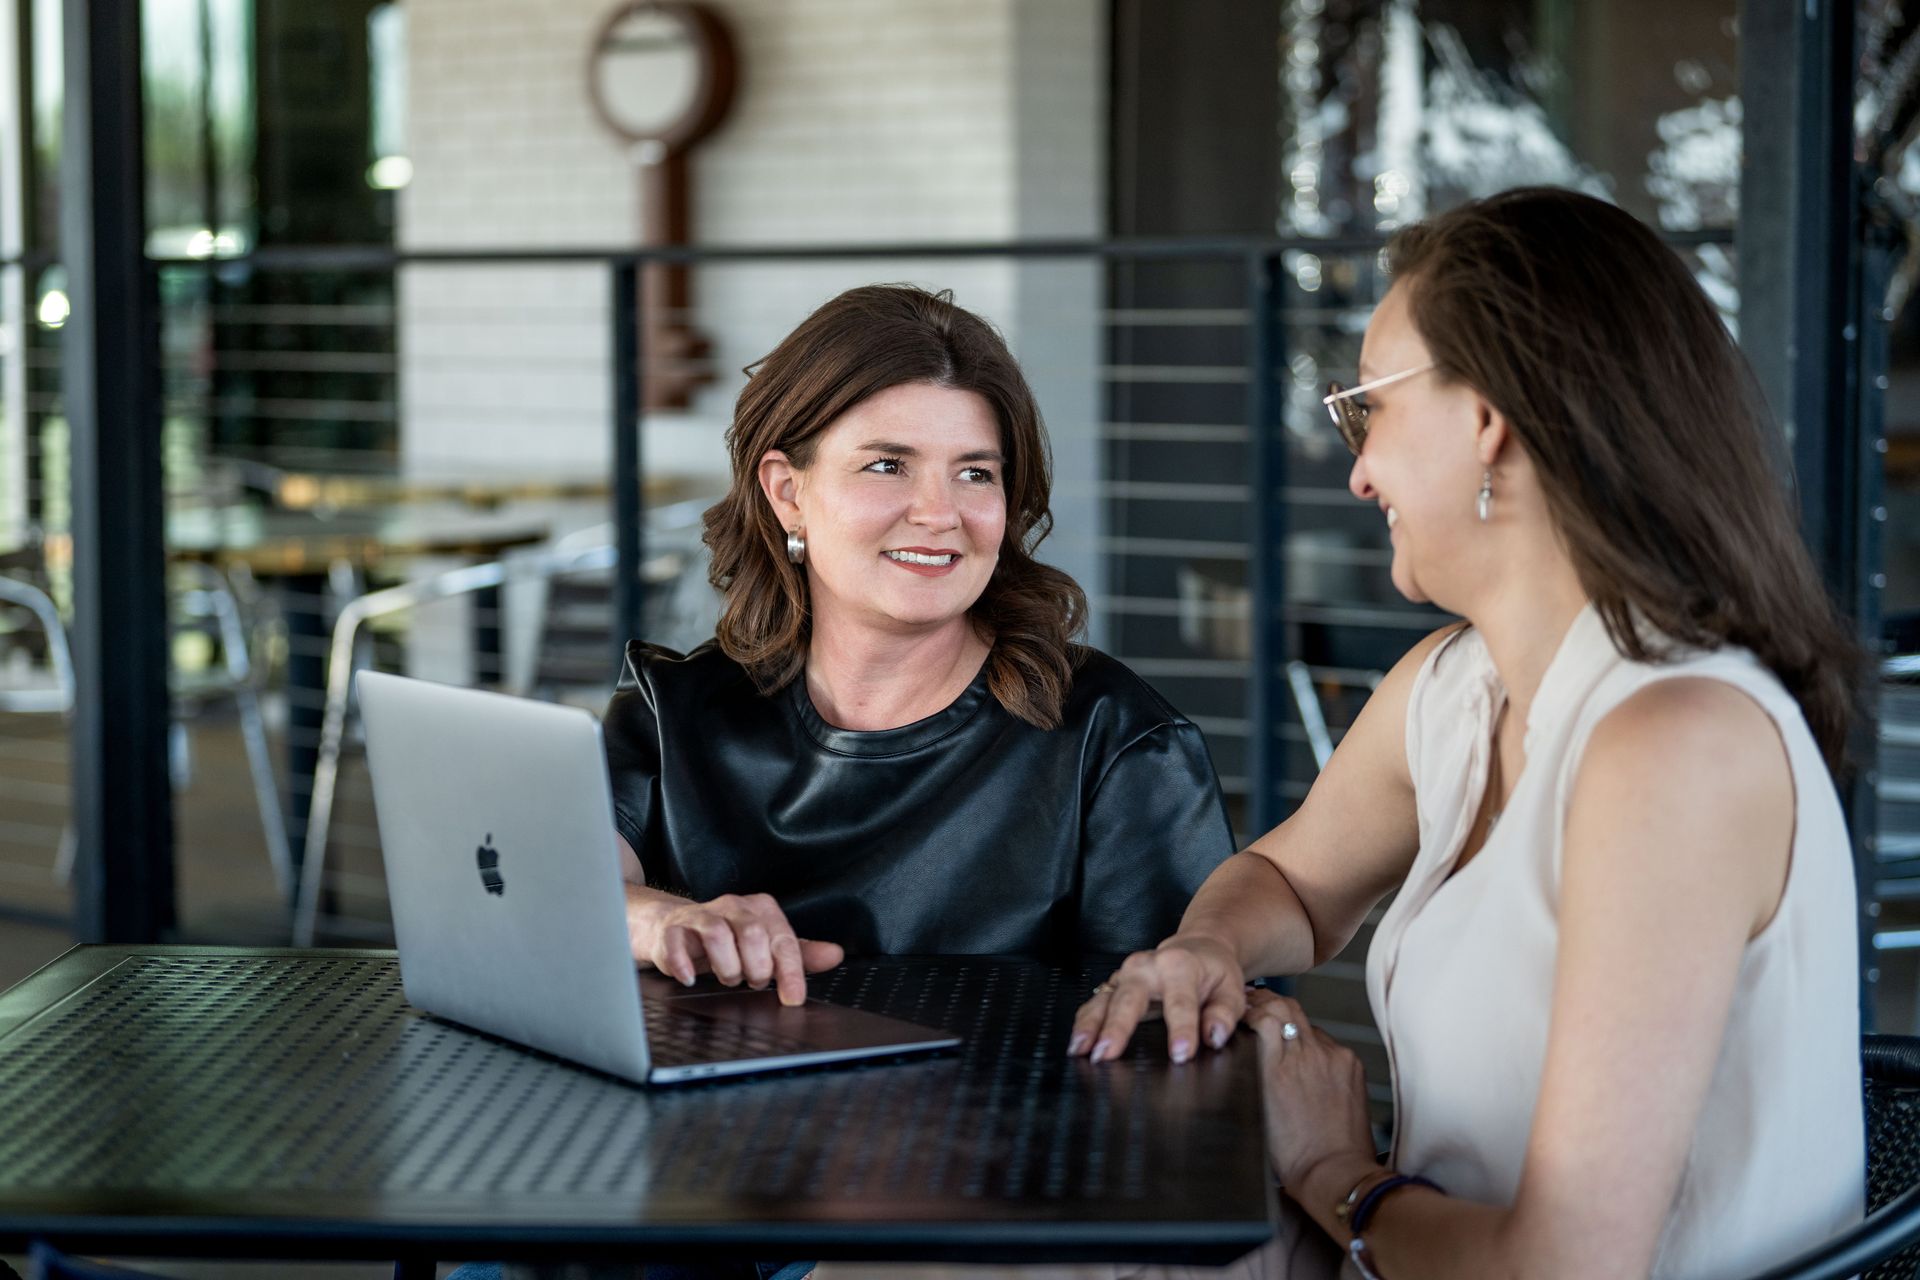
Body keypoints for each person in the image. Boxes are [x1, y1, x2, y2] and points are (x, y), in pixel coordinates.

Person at [1070, 188, 1866, 1280]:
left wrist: (1332, 1168)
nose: (1357, 471)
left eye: (1369, 412)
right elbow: (1292, 886)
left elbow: (1562, 1268)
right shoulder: (1453, 688)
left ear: (1488, 419)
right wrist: (1209, 944)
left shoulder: (1676, 743)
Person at [605, 282, 1235, 1001]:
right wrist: (654, 919)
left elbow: (1180, 1049)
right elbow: (543, 886)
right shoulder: (676, 711)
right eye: (887, 465)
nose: (940, 514)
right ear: (787, 492)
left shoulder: (1117, 742)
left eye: (975, 473)